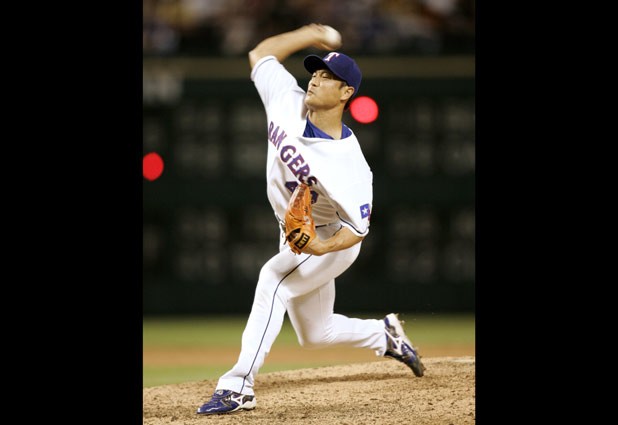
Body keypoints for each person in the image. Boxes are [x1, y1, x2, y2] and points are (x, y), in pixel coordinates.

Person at [196, 23, 425, 416]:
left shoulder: (349, 167)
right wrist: (310, 33)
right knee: (316, 333)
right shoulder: (286, 99)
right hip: (295, 233)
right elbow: (260, 54)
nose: (316, 79)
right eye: (316, 72)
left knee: (273, 280)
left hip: (330, 239)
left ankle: (238, 386)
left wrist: (320, 247)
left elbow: (358, 230)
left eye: (328, 77)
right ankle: (383, 335)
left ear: (346, 92)